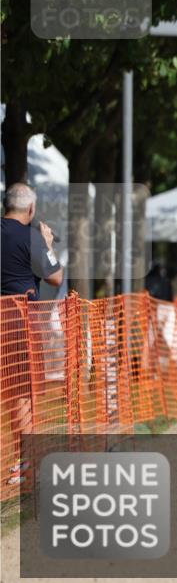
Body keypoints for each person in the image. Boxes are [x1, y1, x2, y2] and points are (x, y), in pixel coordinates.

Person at [1, 183, 64, 485]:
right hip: (18, 324)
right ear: (31, 209)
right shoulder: (31, 237)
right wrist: (48, 243)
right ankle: (25, 463)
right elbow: (56, 277)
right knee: (21, 394)